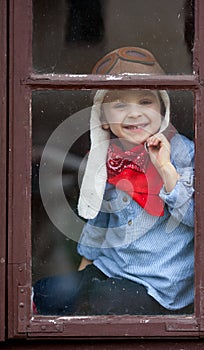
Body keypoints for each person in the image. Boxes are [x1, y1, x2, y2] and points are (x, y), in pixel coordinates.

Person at [33, 47, 195, 316]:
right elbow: (101, 220)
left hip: (159, 285)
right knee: (49, 291)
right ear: (104, 119)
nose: (134, 114)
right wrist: (81, 276)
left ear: (163, 108)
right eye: (120, 105)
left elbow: (193, 216)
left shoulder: (183, 153)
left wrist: (165, 167)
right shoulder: (106, 159)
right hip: (112, 268)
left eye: (145, 102)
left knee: (103, 301)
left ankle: (88, 296)